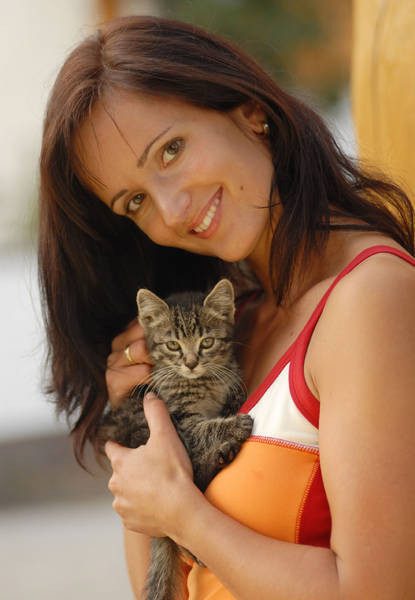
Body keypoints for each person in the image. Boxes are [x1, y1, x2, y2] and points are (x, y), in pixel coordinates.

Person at [38, 15, 415, 600]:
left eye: (171, 150)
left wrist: (184, 514)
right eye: (135, 201)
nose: (171, 211)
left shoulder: (370, 298)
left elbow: (377, 591)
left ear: (249, 111)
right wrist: (142, 427)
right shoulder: (237, 320)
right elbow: (166, 591)